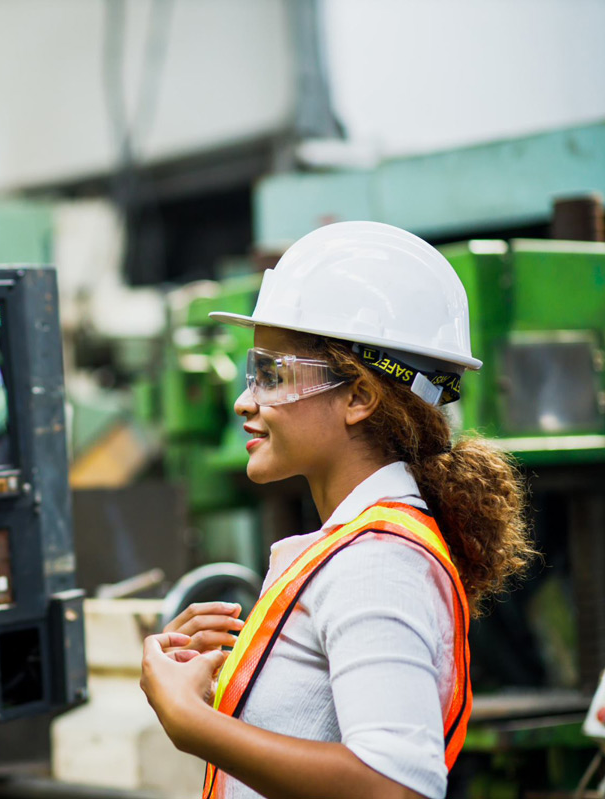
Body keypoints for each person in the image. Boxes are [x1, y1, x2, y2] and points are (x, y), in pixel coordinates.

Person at [140, 221, 536, 799]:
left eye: (271, 374)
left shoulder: (377, 561)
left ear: (358, 398)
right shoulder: (356, 547)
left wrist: (192, 723)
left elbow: (392, 785)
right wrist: (223, 690)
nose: (244, 400)